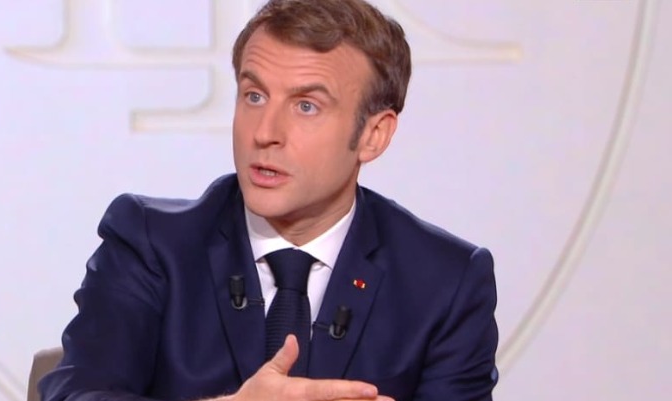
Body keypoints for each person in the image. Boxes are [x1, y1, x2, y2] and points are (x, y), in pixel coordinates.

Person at [39, 0, 499, 400]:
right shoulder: (151, 244)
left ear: (373, 135)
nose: (265, 133)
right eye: (254, 96)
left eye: (306, 106)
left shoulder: (445, 283)